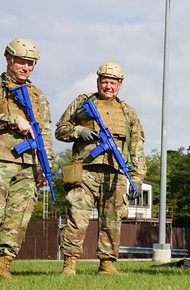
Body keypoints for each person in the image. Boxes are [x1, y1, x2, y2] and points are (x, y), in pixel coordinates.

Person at [0, 39, 55, 282]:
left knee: (19, 217)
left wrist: (46, 165)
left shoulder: (37, 95)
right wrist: (12, 120)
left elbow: (44, 131)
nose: (26, 68)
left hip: (28, 163)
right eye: (22, 62)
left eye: (31, 64)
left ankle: (4, 267)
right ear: (9, 59)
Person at [54, 63, 146, 275]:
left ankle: (107, 264)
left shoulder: (127, 112)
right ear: (98, 82)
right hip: (84, 170)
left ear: (120, 85)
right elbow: (60, 130)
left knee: (112, 220)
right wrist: (79, 130)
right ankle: (70, 264)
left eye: (113, 83)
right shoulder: (82, 102)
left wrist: (138, 176)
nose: (108, 86)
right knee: (76, 216)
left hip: (115, 173)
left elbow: (137, 146)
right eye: (104, 82)